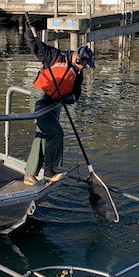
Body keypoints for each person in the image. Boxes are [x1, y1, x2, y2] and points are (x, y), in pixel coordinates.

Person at [23, 19, 95, 185]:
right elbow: (34, 45)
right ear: (79, 59)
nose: (84, 68)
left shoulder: (78, 75)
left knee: (43, 135)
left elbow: (76, 95)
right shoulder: (55, 56)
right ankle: (49, 170)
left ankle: (30, 174)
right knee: (56, 133)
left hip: (55, 103)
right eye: (84, 64)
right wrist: (30, 29)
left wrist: (66, 98)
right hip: (40, 98)